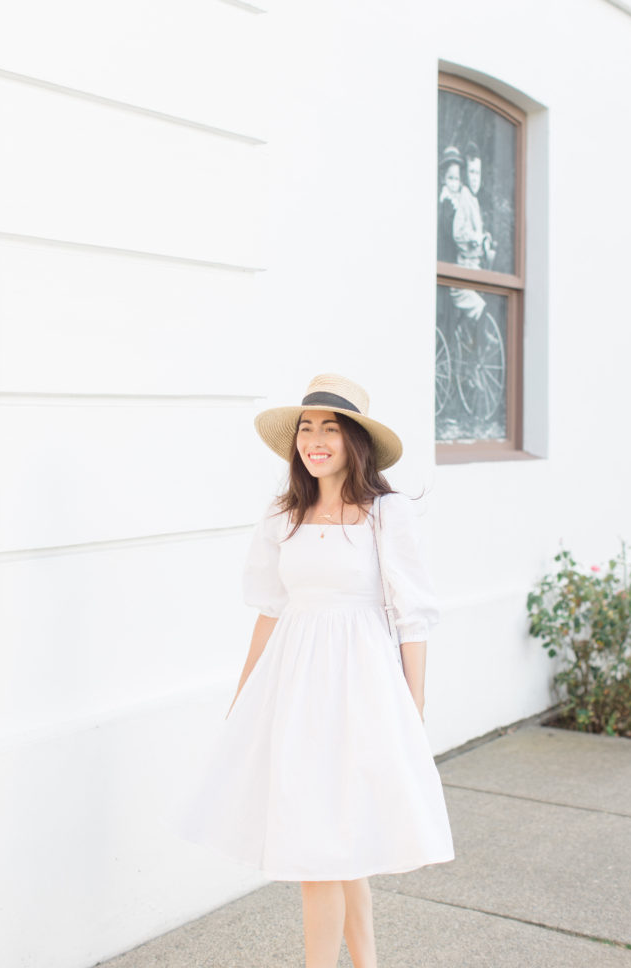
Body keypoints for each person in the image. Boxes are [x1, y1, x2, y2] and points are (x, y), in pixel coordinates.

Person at [170, 373, 454, 968]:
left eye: (330, 428)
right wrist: (244, 697)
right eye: (306, 428)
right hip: (294, 691)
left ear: (355, 440)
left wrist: (413, 709)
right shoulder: (284, 515)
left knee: (336, 846)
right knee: (320, 842)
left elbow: (413, 620)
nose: (315, 441)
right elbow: (270, 611)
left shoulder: (387, 515)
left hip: (363, 691)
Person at [453, 141, 496, 270]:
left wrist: (484, 237)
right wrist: (475, 238)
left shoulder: (473, 199)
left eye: (477, 173)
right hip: (466, 265)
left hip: (476, 263)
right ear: (464, 174)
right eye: (471, 172)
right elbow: (458, 233)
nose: (475, 178)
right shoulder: (464, 196)